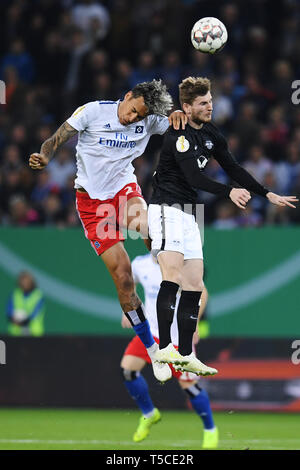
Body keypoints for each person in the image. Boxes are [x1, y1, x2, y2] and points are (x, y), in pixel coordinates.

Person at [28, 79, 187, 382]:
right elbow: (56, 138)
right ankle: (153, 352)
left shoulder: (150, 120)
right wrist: (45, 156)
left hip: (122, 191)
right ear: (127, 97)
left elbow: (181, 126)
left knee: (149, 227)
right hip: (90, 203)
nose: (133, 119)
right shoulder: (92, 112)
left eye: (141, 117)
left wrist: (182, 116)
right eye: (133, 112)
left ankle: (171, 304)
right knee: (124, 278)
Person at [148, 76, 298, 374]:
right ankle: (164, 348)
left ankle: (186, 352)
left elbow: (233, 167)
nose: (210, 107)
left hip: (190, 212)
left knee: (195, 284)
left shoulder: (211, 134)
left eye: (211, 101)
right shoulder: (178, 133)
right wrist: (228, 191)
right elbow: (193, 177)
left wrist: (266, 193)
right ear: (187, 107)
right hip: (167, 207)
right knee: (173, 276)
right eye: (203, 103)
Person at [121, 253, 218, 449]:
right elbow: (127, 286)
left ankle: (210, 429)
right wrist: (128, 310)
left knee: (189, 387)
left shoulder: (179, 263)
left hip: (177, 337)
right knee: (128, 371)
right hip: (151, 334)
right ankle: (149, 414)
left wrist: (195, 322)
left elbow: (202, 292)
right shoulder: (140, 264)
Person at [6, 271, 45, 336]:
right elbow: (9, 312)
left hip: (34, 334)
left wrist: (23, 321)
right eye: (22, 281)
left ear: (31, 282)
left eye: (27, 282)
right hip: (15, 333)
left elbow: (36, 313)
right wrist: (14, 320)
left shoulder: (38, 296)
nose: (24, 284)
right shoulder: (14, 294)